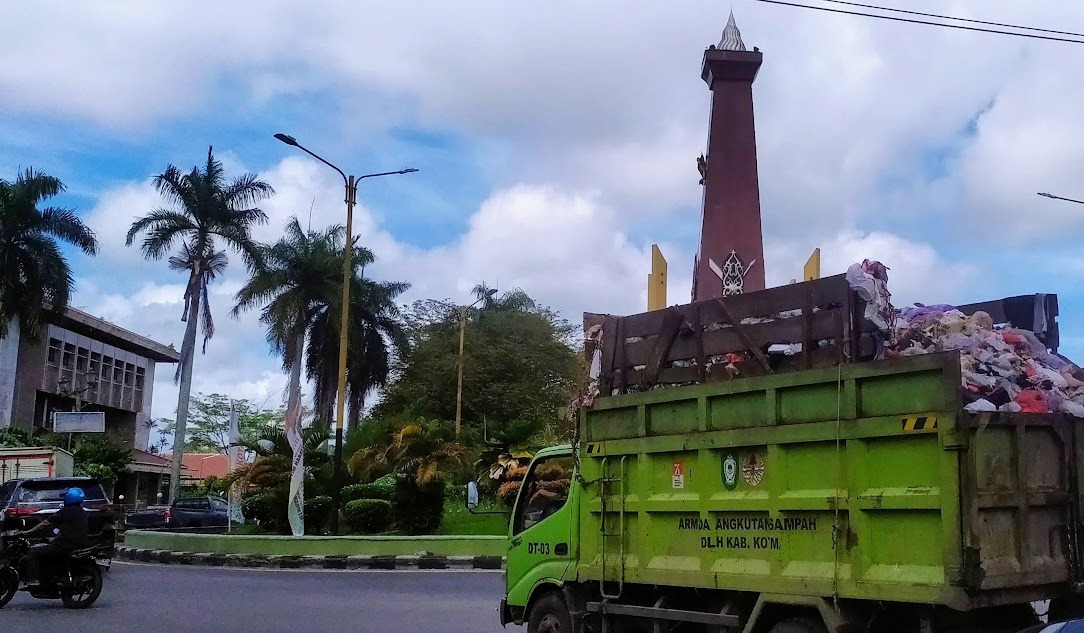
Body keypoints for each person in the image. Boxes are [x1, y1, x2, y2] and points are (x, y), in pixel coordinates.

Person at [21, 488, 90, 588]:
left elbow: (45, 523)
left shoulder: (66, 511)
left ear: (69, 498)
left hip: (65, 545)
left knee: (33, 552)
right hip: (78, 543)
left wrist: (28, 532)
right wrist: (53, 538)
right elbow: (69, 530)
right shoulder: (82, 512)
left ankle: (33, 580)